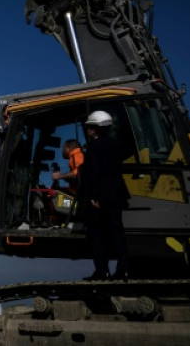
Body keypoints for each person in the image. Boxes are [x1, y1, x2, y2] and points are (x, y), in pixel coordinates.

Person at [76, 110, 130, 281]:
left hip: (100, 196)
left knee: (97, 235)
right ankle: (124, 269)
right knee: (117, 232)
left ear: (94, 130)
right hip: (116, 195)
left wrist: (93, 196)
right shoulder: (116, 145)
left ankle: (102, 270)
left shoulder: (94, 147)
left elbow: (95, 173)